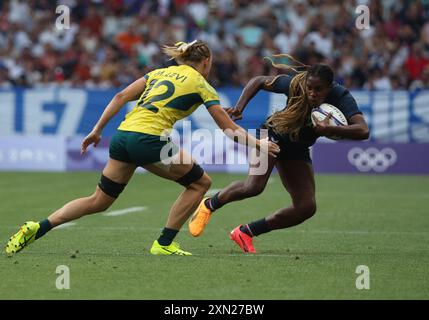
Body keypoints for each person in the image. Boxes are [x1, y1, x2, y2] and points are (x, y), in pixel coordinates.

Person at [5, 40, 280, 256]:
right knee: (200, 183)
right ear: (206, 61)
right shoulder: (202, 84)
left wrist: (96, 129)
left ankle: (38, 227)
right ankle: (164, 243)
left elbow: (120, 96)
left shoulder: (158, 73)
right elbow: (227, 128)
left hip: (123, 137)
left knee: (99, 200)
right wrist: (259, 144)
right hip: (149, 140)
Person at [188, 54, 369, 253]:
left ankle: (245, 232)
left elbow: (363, 130)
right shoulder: (295, 83)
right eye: (310, 87)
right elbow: (258, 81)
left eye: (318, 89)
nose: (312, 93)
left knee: (306, 207)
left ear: (330, 87)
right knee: (253, 187)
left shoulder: (341, 96)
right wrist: (240, 107)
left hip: (297, 146)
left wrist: (332, 130)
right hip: (271, 134)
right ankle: (209, 204)